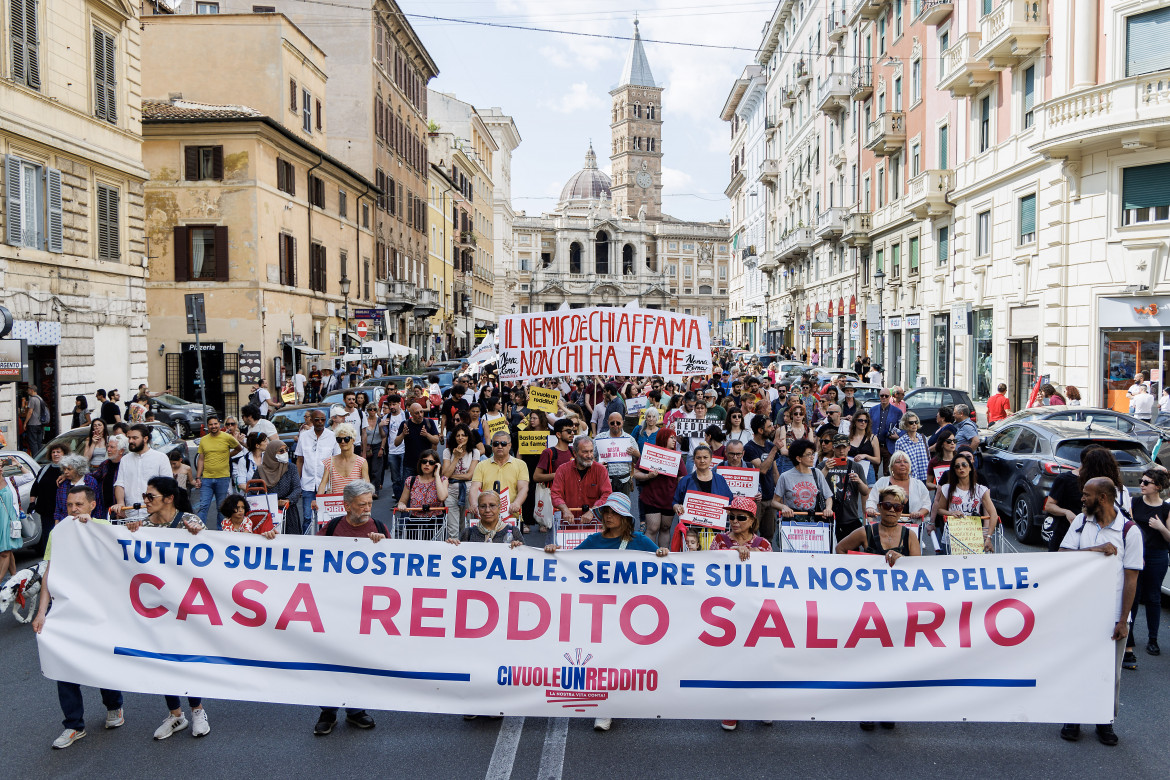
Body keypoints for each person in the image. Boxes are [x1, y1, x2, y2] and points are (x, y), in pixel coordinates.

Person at [542, 490, 667, 733]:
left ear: (625, 518)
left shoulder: (640, 542)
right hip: (599, 613)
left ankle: (615, 701)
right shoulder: (593, 542)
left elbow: (662, 564)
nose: (608, 516)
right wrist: (554, 553)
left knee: (622, 660)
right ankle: (605, 706)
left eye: (614, 513)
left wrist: (662, 554)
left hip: (630, 614)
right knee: (603, 659)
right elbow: (569, 563)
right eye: (606, 512)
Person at [32, 485, 126, 749]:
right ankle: (73, 725)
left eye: (79, 505)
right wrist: (42, 612)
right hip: (66, 612)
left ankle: (114, 706)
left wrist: (91, 529)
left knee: (101, 664)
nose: (73, 510)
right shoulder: (58, 533)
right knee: (63, 665)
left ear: (92, 505)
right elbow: (50, 572)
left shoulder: (103, 528)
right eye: (70, 505)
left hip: (99, 612)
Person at [122, 476, 210, 738]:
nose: (145, 501)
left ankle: (197, 710)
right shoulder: (143, 526)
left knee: (185, 657)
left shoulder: (189, 523)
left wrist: (198, 533)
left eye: (151, 497)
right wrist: (130, 534)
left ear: (169, 498)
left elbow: (211, 556)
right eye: (145, 496)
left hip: (185, 604)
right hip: (155, 606)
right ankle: (175, 715)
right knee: (162, 658)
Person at [1058, 477, 1143, 747]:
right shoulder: (1081, 523)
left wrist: (1123, 621)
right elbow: (1063, 556)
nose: (1082, 499)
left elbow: (1131, 579)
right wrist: (1096, 550)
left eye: (1086, 494)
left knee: (1109, 672)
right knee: (1077, 665)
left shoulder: (1130, 532)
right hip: (1080, 610)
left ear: (1103, 498)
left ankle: (1104, 721)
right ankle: (1074, 717)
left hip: (1112, 613)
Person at [314, 480, 385, 736]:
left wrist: (382, 545)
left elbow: (398, 564)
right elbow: (304, 555)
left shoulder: (379, 528)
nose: (367, 509)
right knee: (330, 660)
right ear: (346, 506)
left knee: (358, 660)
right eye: (361, 504)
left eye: (369, 503)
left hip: (366, 611)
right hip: (333, 608)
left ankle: (356, 709)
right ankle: (328, 711)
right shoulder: (331, 528)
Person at [1126, 468, 1169, 661]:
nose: (1141, 485)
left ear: (1157, 487)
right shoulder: (1134, 502)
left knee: (1153, 597)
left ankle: (1153, 639)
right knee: (1132, 596)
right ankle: (1129, 637)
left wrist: (1161, 528)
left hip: (1157, 555)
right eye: (1141, 481)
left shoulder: (1166, 508)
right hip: (1136, 554)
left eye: (1146, 482)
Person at [930, 453, 998, 553]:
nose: (961, 468)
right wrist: (951, 513)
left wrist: (988, 537)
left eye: (964, 465)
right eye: (957, 466)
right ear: (954, 470)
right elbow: (940, 509)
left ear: (970, 468)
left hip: (973, 537)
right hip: (952, 537)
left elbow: (993, 514)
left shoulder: (980, 489)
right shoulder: (947, 488)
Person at [634, 427, 687, 549]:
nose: (675, 440)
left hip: (669, 497)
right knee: (652, 528)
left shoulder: (676, 457)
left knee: (665, 528)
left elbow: (682, 477)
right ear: (663, 438)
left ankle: (663, 557)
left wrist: (682, 488)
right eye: (671, 437)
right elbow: (636, 473)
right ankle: (648, 557)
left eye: (675, 437)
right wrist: (648, 475)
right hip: (651, 496)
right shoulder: (650, 453)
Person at [112, 424, 172, 522]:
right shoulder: (125, 460)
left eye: (135, 438)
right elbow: (120, 484)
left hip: (155, 515)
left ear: (145, 439)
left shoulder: (161, 458)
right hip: (130, 514)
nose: (130, 441)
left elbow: (168, 486)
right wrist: (120, 503)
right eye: (129, 438)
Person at [192, 415, 241, 530]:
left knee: (221, 508)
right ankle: (199, 531)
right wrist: (198, 477)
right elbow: (201, 459)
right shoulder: (204, 440)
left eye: (215, 424)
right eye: (211, 424)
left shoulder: (227, 437)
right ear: (207, 426)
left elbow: (239, 448)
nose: (213, 426)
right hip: (207, 478)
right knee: (203, 506)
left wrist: (227, 456)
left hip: (223, 478)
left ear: (219, 424)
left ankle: (220, 532)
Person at [469, 431, 529, 523]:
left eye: (503, 444)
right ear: (492, 446)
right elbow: (474, 488)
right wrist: (473, 504)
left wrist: (517, 503)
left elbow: (523, 488)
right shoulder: (481, 465)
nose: (499, 446)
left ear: (510, 445)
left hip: (511, 516)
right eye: (496, 443)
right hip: (486, 516)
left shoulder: (521, 465)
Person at [296, 410, 340, 534]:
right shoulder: (304, 436)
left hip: (326, 484)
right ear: (311, 420)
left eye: (323, 419)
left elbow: (336, 461)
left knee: (324, 518)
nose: (320, 422)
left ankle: (322, 543)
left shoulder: (332, 436)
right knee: (307, 517)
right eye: (317, 420)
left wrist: (334, 484)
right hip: (307, 483)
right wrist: (298, 482)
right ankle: (306, 543)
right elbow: (300, 460)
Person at [551, 435, 612, 523]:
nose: (589, 455)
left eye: (591, 451)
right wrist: (565, 510)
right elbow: (555, 494)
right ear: (575, 453)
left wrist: (592, 511)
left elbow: (607, 494)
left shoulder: (600, 470)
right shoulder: (562, 470)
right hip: (568, 524)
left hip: (594, 523)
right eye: (585, 452)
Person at [821, 433, 869, 541]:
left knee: (851, 552)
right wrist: (825, 469)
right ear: (833, 448)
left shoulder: (856, 466)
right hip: (828, 515)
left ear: (849, 448)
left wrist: (859, 481)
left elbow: (865, 492)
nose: (841, 451)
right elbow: (816, 486)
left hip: (850, 516)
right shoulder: (824, 464)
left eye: (844, 447)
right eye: (838, 448)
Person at [774, 439, 833, 520]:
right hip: (792, 520)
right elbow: (774, 502)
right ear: (798, 458)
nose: (812, 457)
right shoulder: (785, 476)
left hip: (813, 519)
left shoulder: (817, 473)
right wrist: (783, 507)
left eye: (812, 454)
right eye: (809, 455)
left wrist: (828, 508)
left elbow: (828, 496)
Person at [866, 450, 931, 520]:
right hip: (886, 524)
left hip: (912, 526)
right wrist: (870, 508)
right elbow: (871, 499)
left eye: (905, 462)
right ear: (891, 467)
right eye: (898, 462)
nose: (902, 464)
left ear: (909, 466)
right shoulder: (882, 482)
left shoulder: (919, 484)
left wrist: (920, 513)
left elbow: (927, 504)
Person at [447, 490, 524, 548]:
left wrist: (519, 547)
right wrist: (452, 546)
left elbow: (526, 559)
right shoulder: (468, 533)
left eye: (492, 505)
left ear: (499, 508)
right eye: (483, 506)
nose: (487, 510)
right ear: (478, 508)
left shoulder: (513, 531)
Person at [256, 438, 301, 533]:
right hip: (267, 512)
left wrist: (287, 501)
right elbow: (253, 491)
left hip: (288, 510)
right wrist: (272, 502)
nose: (285, 452)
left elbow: (297, 488)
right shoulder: (261, 470)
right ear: (272, 453)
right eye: (281, 451)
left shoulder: (291, 467)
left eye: (286, 450)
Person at [316, 423, 369, 500]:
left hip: (356, 505)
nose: (343, 442)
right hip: (335, 507)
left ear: (353, 440)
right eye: (339, 439)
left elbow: (366, 486)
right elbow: (323, 484)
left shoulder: (361, 462)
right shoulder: (329, 462)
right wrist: (318, 501)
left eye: (346, 439)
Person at [394, 403, 440, 488]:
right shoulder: (405, 424)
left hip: (426, 464)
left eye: (421, 412)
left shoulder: (429, 422)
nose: (420, 415)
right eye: (417, 413)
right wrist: (403, 434)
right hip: (409, 464)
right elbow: (396, 443)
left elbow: (436, 441)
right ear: (411, 414)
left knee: (426, 488)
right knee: (408, 489)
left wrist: (427, 435)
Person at [595, 412, 640, 496]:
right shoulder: (599, 438)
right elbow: (592, 457)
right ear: (608, 422)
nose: (615, 425)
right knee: (606, 507)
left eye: (618, 423)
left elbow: (637, 462)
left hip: (624, 480)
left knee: (623, 507)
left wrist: (637, 454)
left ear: (623, 422)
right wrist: (597, 465)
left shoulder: (630, 439)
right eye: (612, 423)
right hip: (605, 480)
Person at [397, 449, 448, 523]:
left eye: (431, 462)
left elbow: (442, 497)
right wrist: (401, 505)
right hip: (415, 521)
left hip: (436, 522)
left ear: (436, 465)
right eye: (424, 461)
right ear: (420, 463)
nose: (427, 464)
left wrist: (437, 475)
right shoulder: (411, 480)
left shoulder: (442, 480)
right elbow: (402, 501)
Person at [53, 454, 101, 524]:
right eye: (64, 469)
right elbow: (58, 509)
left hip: (86, 522)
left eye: (69, 469)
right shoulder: (63, 483)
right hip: (66, 522)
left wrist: (94, 523)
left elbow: (97, 507)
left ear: (78, 469)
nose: (65, 472)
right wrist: (56, 525)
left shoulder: (90, 482)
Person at [30, 443, 66, 534]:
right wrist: (32, 503)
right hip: (45, 510)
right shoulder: (44, 469)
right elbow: (35, 487)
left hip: (62, 511)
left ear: (64, 454)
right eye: (53, 452)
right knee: (47, 535)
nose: (55, 454)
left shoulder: (67, 470)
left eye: (58, 452)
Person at [869, 388, 903, 478]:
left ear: (890, 397)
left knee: (888, 472)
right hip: (875, 445)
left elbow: (903, 428)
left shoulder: (897, 412)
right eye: (882, 396)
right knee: (873, 471)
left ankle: (887, 490)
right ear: (879, 396)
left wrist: (898, 436)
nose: (884, 397)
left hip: (889, 446)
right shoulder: (872, 410)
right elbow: (868, 426)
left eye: (886, 396)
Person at [892, 412, 930, 482]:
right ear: (905, 424)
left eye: (916, 422)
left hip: (925, 477)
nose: (914, 424)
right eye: (911, 423)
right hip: (910, 479)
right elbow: (897, 462)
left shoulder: (923, 438)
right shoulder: (900, 442)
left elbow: (928, 458)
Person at [848, 411, 881, 486]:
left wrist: (865, 456)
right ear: (855, 422)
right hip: (851, 470)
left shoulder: (873, 438)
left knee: (869, 496)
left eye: (866, 421)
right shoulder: (848, 438)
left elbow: (878, 460)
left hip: (867, 470)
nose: (863, 423)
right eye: (860, 420)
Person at [361, 403, 386, 497]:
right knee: (367, 469)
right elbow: (362, 435)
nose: (372, 411)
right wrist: (362, 450)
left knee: (376, 469)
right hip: (366, 447)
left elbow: (384, 437)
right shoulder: (364, 421)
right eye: (370, 409)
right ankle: (367, 490)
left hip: (377, 446)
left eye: (374, 409)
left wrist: (381, 448)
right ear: (367, 411)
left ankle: (375, 491)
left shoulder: (380, 420)